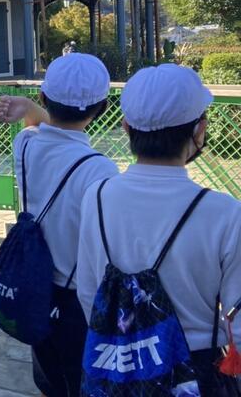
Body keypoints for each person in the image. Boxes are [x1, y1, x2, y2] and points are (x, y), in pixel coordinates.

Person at [77, 64, 241, 395]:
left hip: (117, 367)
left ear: (126, 127)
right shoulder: (225, 213)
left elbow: (88, 291)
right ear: (199, 131)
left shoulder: (97, 196)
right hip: (197, 371)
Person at [0, 53, 118, 396]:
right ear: (103, 108)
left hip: (37, 287)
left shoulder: (25, 144)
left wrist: (30, 108)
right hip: (75, 300)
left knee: (49, 378)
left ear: (44, 96)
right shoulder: (99, 168)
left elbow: (40, 126)